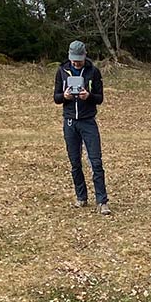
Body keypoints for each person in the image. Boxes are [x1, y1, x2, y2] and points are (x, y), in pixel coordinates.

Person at [53, 40, 110, 214]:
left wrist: (89, 96)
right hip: (70, 122)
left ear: (85, 55)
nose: (76, 63)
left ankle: (102, 201)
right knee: (75, 162)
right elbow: (56, 98)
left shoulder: (94, 71)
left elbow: (99, 98)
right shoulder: (62, 71)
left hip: (88, 122)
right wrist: (65, 96)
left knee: (96, 161)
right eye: (73, 60)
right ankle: (81, 197)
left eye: (79, 59)